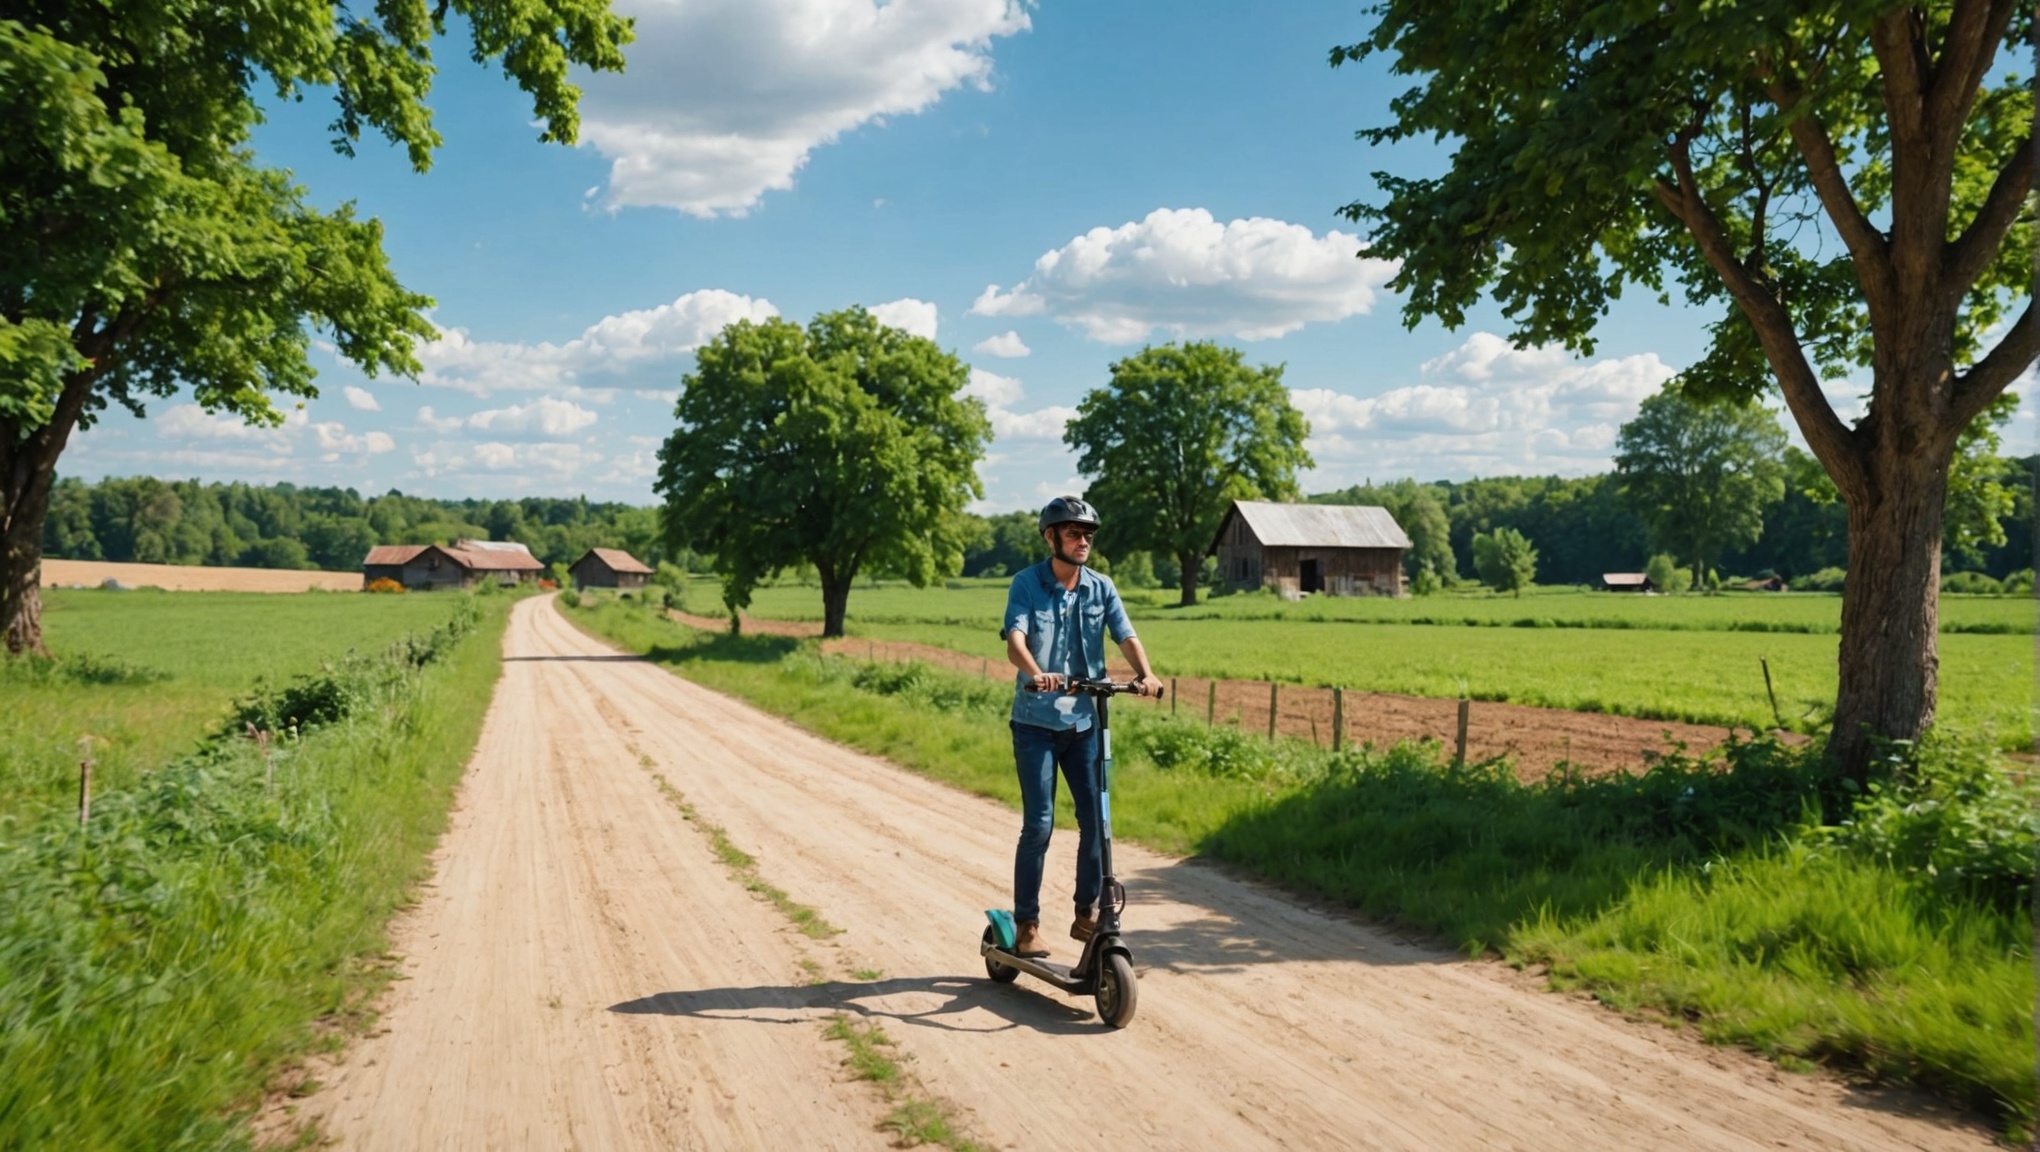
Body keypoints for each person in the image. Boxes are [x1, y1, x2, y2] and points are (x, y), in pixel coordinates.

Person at [1002, 496, 1162, 958]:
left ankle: (1085, 912)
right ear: (1051, 537)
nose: (1083, 540)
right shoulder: (1026, 584)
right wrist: (1035, 672)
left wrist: (1146, 675)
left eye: (1088, 534)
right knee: (1040, 825)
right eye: (1073, 533)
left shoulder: (1101, 587)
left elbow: (1125, 633)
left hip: (1084, 723)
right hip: (1035, 723)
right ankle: (1027, 924)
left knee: (1097, 819)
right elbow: (1016, 638)